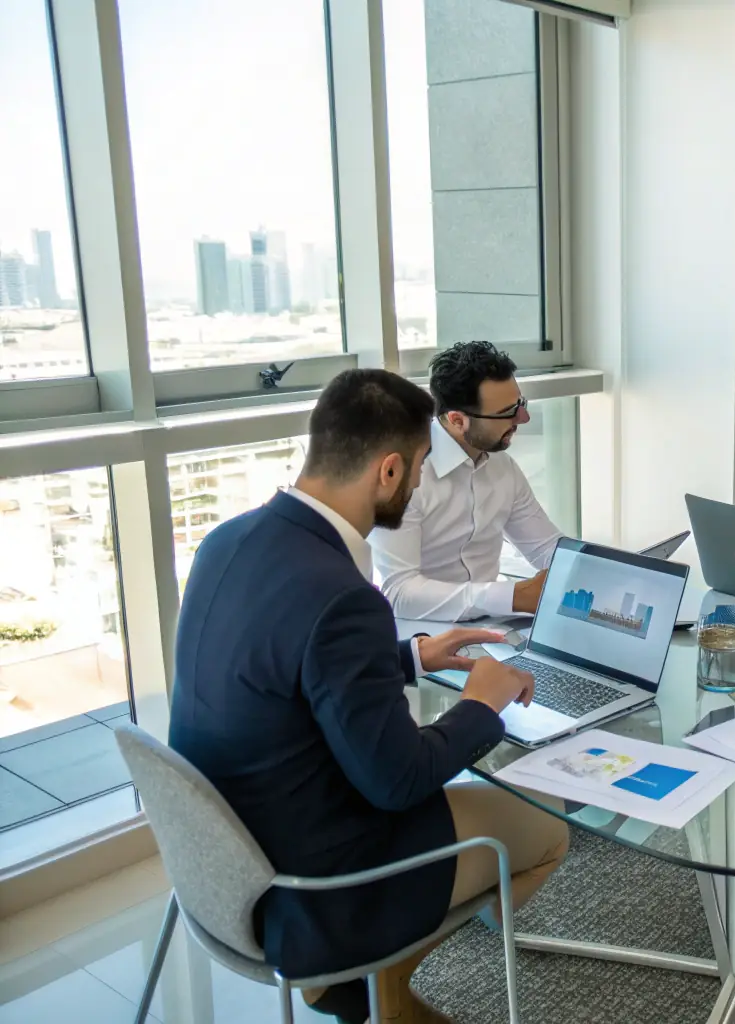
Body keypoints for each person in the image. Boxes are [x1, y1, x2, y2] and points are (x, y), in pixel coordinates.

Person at [170, 369, 569, 1024]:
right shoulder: (342, 594)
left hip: (230, 854)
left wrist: (407, 657)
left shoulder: (229, 540)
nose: (417, 486)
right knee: (548, 826)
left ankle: (372, 981)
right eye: (415, 470)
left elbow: (286, 670)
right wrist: (481, 704)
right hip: (321, 884)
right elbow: (399, 781)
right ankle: (384, 976)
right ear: (387, 471)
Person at [371, 341, 564, 623]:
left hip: (493, 627)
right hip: (421, 638)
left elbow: (547, 549)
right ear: (457, 420)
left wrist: (614, 576)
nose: (523, 418)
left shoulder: (502, 467)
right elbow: (400, 594)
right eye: (507, 412)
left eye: (520, 404)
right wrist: (509, 596)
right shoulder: (404, 476)